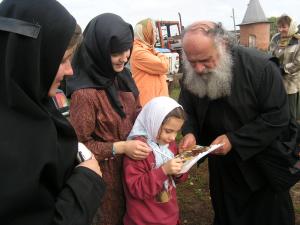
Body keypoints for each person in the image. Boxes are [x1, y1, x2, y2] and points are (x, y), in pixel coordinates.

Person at [178, 21, 298, 225]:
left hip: (261, 167)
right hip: (223, 170)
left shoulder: (261, 68)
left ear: (223, 44)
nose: (197, 69)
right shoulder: (193, 69)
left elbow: (277, 117)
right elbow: (187, 108)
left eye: (205, 60)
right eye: (192, 61)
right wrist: (190, 132)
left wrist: (235, 140)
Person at [0, 0, 105, 224]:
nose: (70, 71)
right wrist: (86, 184)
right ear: (30, 57)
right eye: (63, 60)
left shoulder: (36, 103)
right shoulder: (9, 148)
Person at [66, 13, 152, 225]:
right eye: (117, 52)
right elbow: (77, 147)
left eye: (127, 49)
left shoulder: (123, 77)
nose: (125, 57)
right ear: (99, 50)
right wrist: (120, 147)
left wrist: (152, 120)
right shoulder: (85, 94)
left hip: (134, 172)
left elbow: (137, 110)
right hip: (106, 180)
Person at [123, 96, 188, 225]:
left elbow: (180, 178)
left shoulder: (170, 146)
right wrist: (163, 171)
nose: (172, 137)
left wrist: (179, 171)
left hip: (169, 215)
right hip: (144, 220)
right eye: (168, 131)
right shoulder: (138, 149)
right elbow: (136, 189)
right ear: (154, 122)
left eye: (177, 132)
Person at [130, 18, 169, 106]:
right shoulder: (138, 52)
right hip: (148, 104)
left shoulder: (148, 49)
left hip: (157, 102)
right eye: (154, 31)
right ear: (146, 33)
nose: (156, 34)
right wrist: (158, 52)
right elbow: (164, 66)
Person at [270, 14, 300, 122]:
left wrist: (283, 69)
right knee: (279, 108)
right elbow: (272, 54)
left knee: (291, 112)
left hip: (291, 82)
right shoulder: (276, 38)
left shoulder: (298, 41)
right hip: (277, 79)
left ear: (290, 26)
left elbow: (298, 62)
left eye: (284, 27)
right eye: (279, 27)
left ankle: (295, 133)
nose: (281, 29)